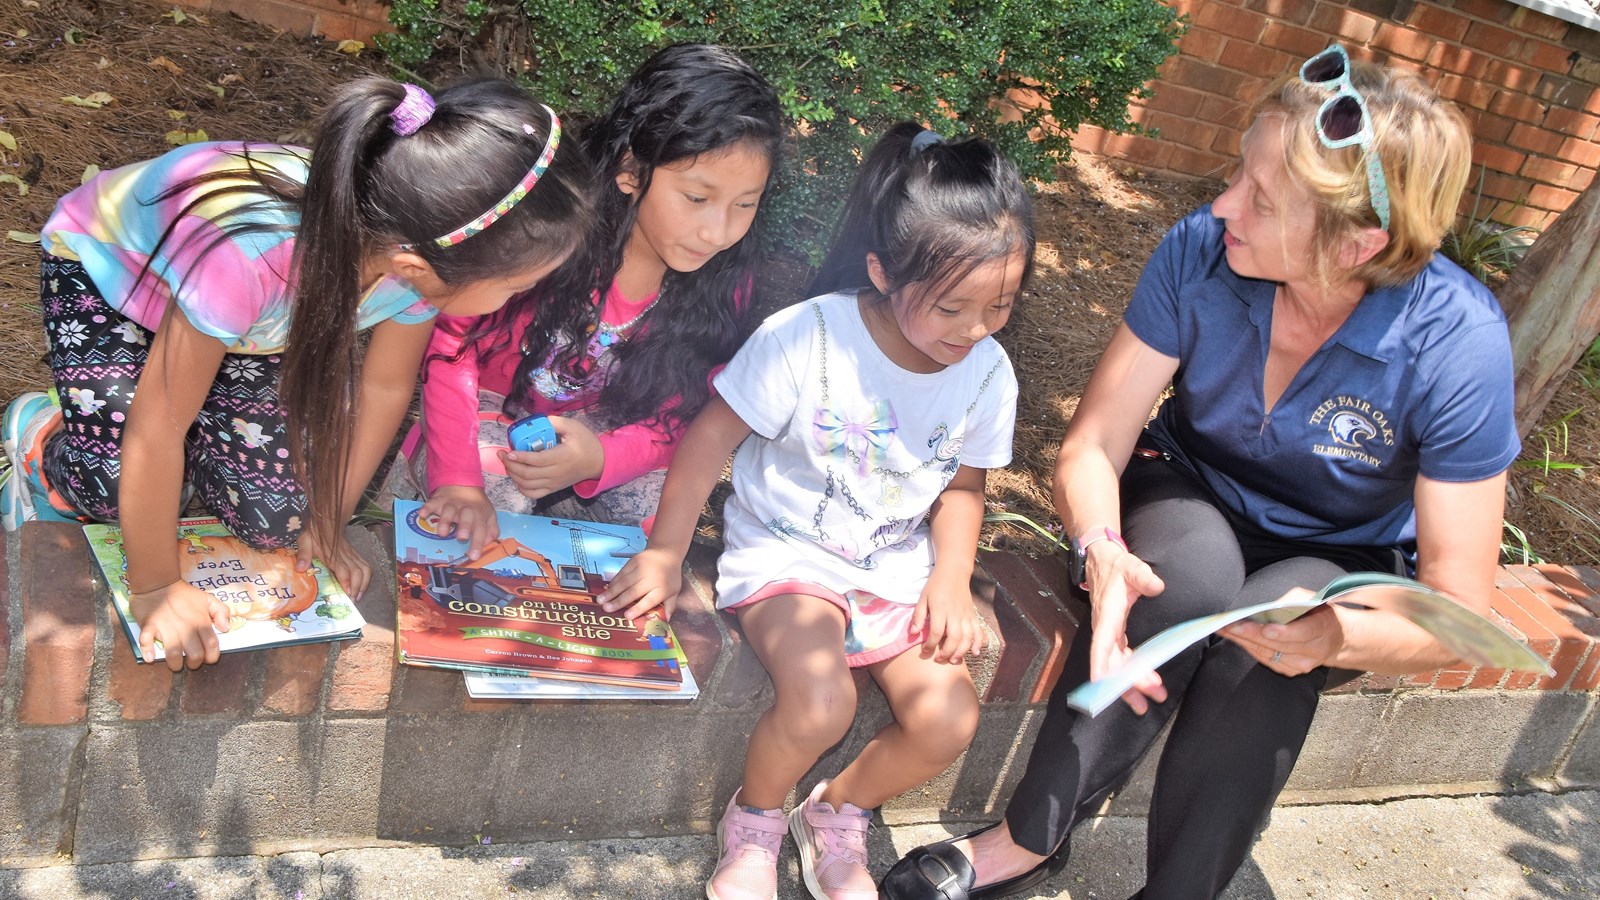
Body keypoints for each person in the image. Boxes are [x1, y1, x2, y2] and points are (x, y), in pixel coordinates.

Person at [878, 44, 1519, 900]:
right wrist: (1100, 548)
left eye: (1261, 198)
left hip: (1341, 548)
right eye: (1238, 175)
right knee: (1173, 580)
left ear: (1357, 242)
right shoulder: (1201, 250)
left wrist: (1339, 638)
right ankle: (1028, 839)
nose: (1224, 206)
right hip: (1192, 487)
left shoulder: (1458, 342)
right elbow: (1094, 443)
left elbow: (1459, 608)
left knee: (1273, 649)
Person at [1, 77, 592, 671]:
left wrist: (328, 519)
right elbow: (157, 429)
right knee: (110, 478)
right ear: (415, 265)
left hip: (243, 322)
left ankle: (193, 420)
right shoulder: (251, 255)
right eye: (519, 286)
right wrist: (155, 587)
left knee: (277, 517)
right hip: (111, 276)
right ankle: (40, 437)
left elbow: (384, 387)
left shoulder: (416, 258)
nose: (523, 299)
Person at [600, 121, 1035, 900]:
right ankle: (756, 823)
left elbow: (964, 487)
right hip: (788, 554)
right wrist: (667, 552)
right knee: (823, 701)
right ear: (882, 270)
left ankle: (835, 812)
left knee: (948, 719)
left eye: (998, 306)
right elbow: (707, 442)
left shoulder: (986, 371)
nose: (974, 331)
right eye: (951, 308)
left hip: (894, 569)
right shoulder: (809, 336)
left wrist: (954, 578)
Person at [392, 43, 783, 551]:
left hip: (603, 431)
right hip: (483, 418)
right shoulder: (551, 238)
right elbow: (451, 345)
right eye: (696, 198)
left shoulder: (723, 286)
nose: (717, 230)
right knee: (491, 498)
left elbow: (685, 410)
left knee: (656, 501)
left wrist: (602, 456)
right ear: (630, 170)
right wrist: (459, 477)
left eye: (745, 204)